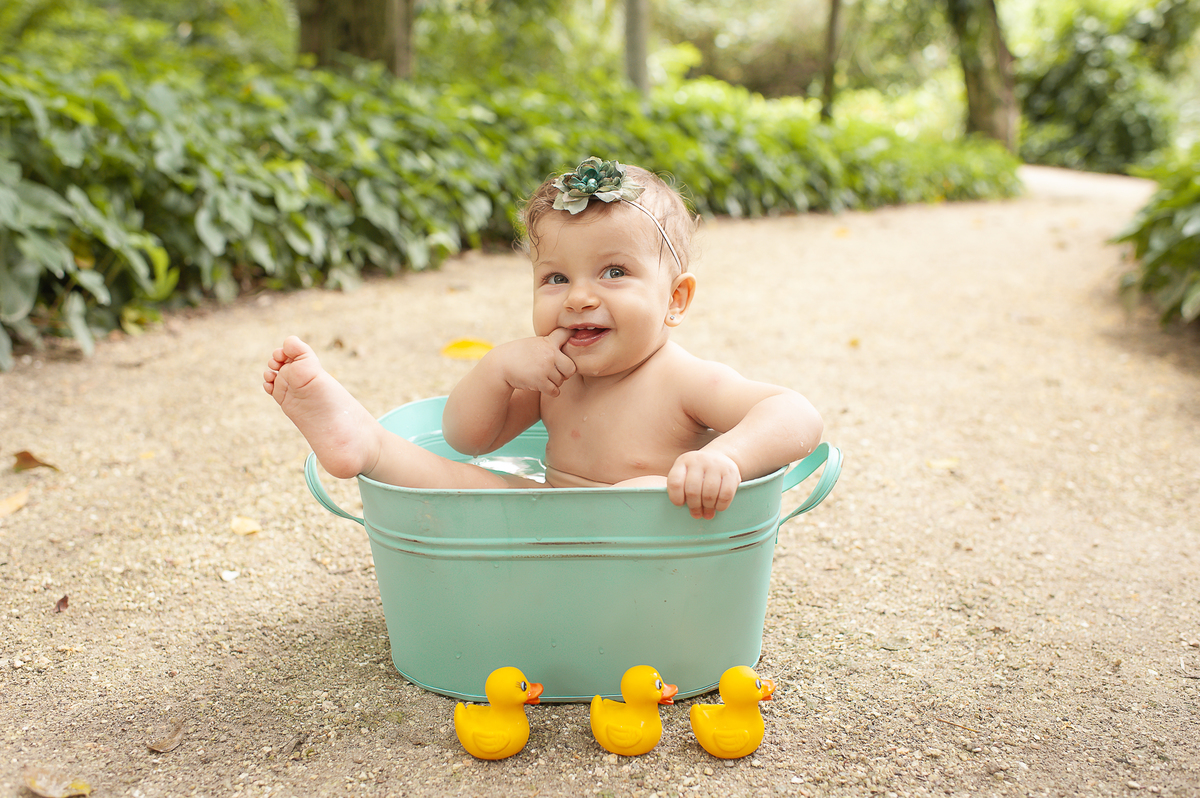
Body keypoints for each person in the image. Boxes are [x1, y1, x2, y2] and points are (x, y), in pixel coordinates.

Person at [264, 157, 823, 519]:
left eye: (613, 272)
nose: (578, 297)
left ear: (674, 299)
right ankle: (367, 446)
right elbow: (466, 438)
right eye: (556, 278)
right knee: (461, 483)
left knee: (643, 497)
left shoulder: (685, 380)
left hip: (650, 540)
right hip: (549, 515)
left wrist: (726, 457)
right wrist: (497, 370)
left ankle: (635, 505)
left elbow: (795, 414)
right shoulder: (554, 373)